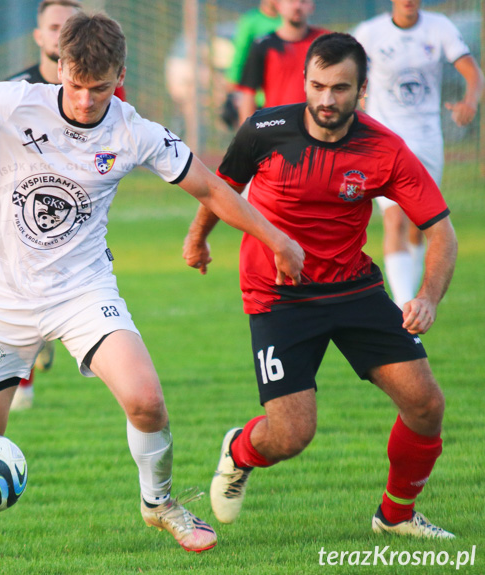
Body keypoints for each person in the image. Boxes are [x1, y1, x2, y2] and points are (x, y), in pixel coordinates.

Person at [0, 12, 304, 552]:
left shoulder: (136, 132)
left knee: (147, 401)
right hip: (2, 298)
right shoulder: (16, 101)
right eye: (76, 84)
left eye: (100, 88)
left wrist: (275, 238)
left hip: (82, 293)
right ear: (59, 67)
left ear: (121, 76)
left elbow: (210, 188)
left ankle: (159, 503)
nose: (86, 100)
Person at [183, 33, 458, 539]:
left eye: (340, 88)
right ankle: (239, 450)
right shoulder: (265, 130)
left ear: (362, 89)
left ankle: (395, 515)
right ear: (304, 82)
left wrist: (427, 296)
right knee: (291, 435)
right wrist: (198, 239)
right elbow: (221, 189)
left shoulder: (384, 149)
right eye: (317, 86)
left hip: (353, 289)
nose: (327, 99)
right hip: (277, 295)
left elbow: (441, 228)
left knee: (426, 405)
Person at [0, 0, 127, 411]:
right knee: (20, 285)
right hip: (24, 220)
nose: (88, 97)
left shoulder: (105, 92)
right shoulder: (16, 91)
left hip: (76, 240)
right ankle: (24, 367)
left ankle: (53, 339)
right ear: (40, 37)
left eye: (68, 26)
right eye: (54, 27)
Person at [353, 0, 484, 307]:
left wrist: (470, 102)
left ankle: (409, 300)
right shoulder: (369, 32)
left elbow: (473, 73)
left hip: (426, 141)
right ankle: (402, 306)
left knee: (418, 224)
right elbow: (349, 71)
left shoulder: (440, 27)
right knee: (394, 218)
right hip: (384, 140)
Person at [236, 0, 329, 125]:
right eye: (291, 1)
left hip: (317, 128)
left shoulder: (325, 43)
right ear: (278, 6)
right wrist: (247, 136)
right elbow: (248, 93)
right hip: (276, 128)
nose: (297, 7)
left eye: (303, 2)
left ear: (312, 6)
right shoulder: (264, 44)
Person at [221, 0, 281, 128]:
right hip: (255, 92)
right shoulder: (251, 21)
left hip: (278, 91)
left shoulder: (286, 23)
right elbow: (240, 52)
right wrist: (232, 78)